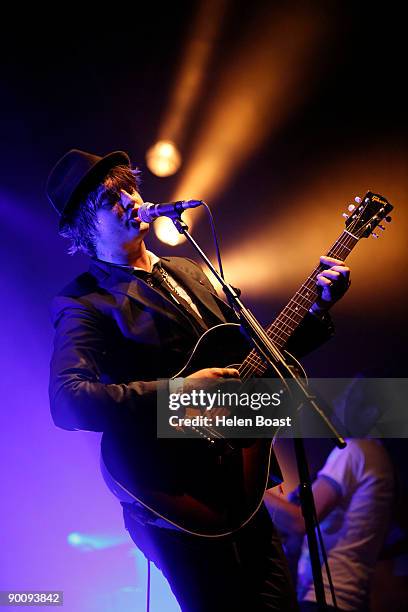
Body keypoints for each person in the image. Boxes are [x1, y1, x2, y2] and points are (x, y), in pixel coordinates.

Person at [46, 148, 351, 611]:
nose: (130, 199)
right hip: (175, 499)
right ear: (86, 228)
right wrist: (178, 393)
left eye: (129, 187)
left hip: (239, 483)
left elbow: (260, 361)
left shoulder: (191, 271)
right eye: (112, 198)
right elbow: (68, 401)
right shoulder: (84, 303)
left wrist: (316, 310)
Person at [264, 376, 396, 612]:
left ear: (371, 412)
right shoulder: (378, 457)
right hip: (349, 598)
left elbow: (300, 520)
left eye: (350, 396)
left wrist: (254, 494)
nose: (339, 401)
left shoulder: (356, 451)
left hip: (326, 598)